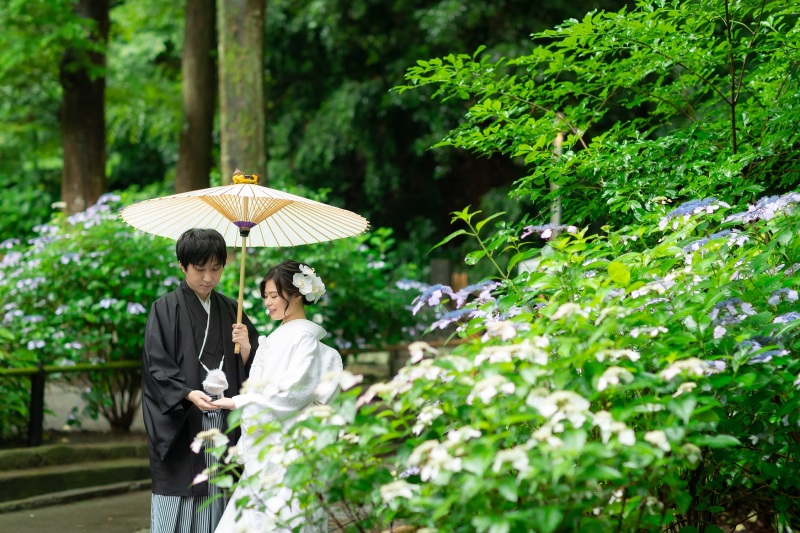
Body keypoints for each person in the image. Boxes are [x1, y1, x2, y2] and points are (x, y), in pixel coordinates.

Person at [142, 228, 260, 533]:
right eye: (200, 269)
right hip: (185, 421)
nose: (208, 277)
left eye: (216, 268)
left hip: (222, 419)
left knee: (218, 493)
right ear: (183, 265)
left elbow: (257, 367)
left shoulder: (232, 310)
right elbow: (157, 366)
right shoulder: (164, 309)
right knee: (180, 496)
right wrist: (187, 394)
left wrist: (246, 347)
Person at [212, 260, 343, 532]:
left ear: (297, 295)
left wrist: (239, 401)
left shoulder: (303, 338)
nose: (268, 303)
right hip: (268, 445)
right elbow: (264, 381)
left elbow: (292, 390)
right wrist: (247, 348)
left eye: (273, 296)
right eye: (265, 297)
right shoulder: (280, 335)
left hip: (284, 450)